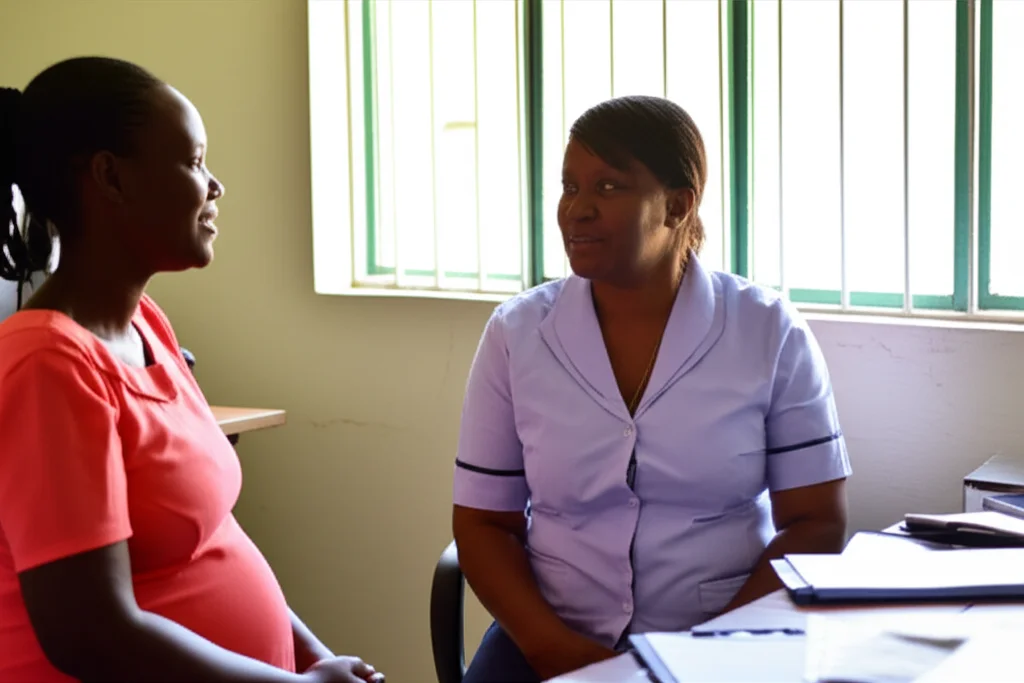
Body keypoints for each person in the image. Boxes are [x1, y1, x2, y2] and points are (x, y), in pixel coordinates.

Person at [0, 57, 384, 683]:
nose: (215, 186)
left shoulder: (145, 323)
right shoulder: (45, 365)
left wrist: (312, 657)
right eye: (194, 161)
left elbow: (214, 534)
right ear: (110, 177)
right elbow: (91, 632)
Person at [452, 95, 851, 682]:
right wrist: (553, 650)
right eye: (569, 187)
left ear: (678, 204)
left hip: (725, 636)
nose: (577, 210)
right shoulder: (516, 334)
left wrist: (709, 650)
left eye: (609, 187)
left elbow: (816, 520)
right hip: (551, 636)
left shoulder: (768, 330)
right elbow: (483, 523)